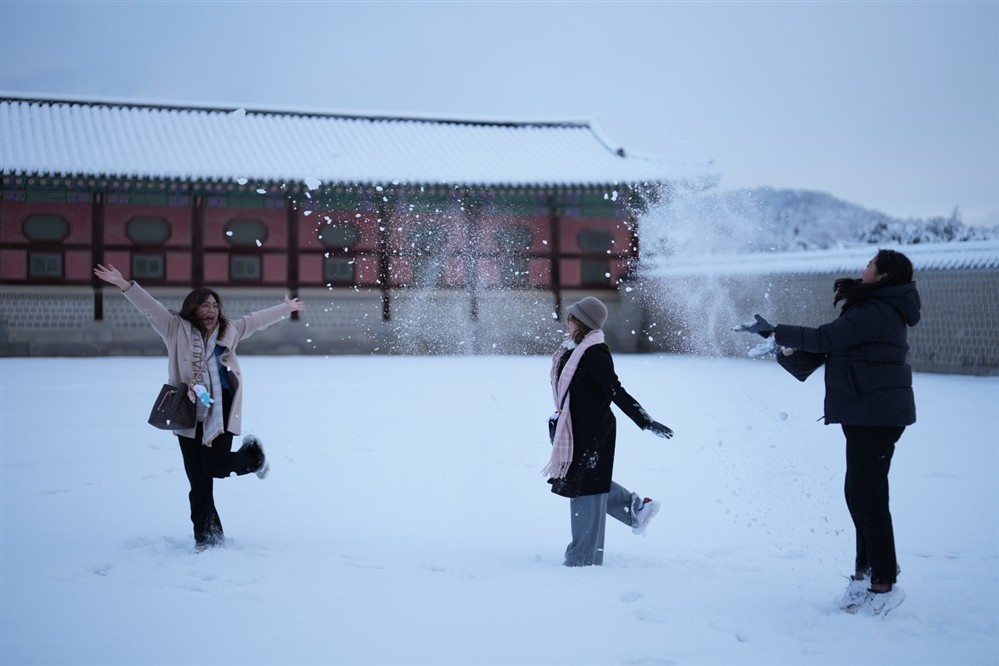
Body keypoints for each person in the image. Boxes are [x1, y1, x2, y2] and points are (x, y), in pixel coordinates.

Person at [734, 249, 920, 615]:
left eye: (871, 264)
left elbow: (826, 339)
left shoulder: (877, 310)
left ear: (884, 275)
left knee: (869, 497)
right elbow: (831, 349)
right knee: (859, 493)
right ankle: (866, 572)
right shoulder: (873, 306)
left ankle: (882, 583)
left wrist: (777, 330)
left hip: (876, 413)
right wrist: (783, 346)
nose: (864, 267)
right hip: (866, 410)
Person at [93, 263, 305, 551]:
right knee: (199, 482)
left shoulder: (229, 329)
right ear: (192, 309)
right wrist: (124, 284)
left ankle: (253, 457)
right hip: (189, 412)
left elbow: (255, 320)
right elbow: (150, 308)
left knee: (215, 467)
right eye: (205, 305)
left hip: (221, 410)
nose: (211, 310)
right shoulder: (174, 328)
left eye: (215, 305)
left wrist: (285, 309)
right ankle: (207, 539)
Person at [545, 296, 675, 567]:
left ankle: (583, 558)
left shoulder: (595, 354)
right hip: (574, 428)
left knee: (585, 488)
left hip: (593, 431)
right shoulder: (572, 350)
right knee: (585, 481)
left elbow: (615, 391)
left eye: (571, 319)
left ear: (583, 323)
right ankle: (635, 508)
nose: (567, 323)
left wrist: (646, 420)